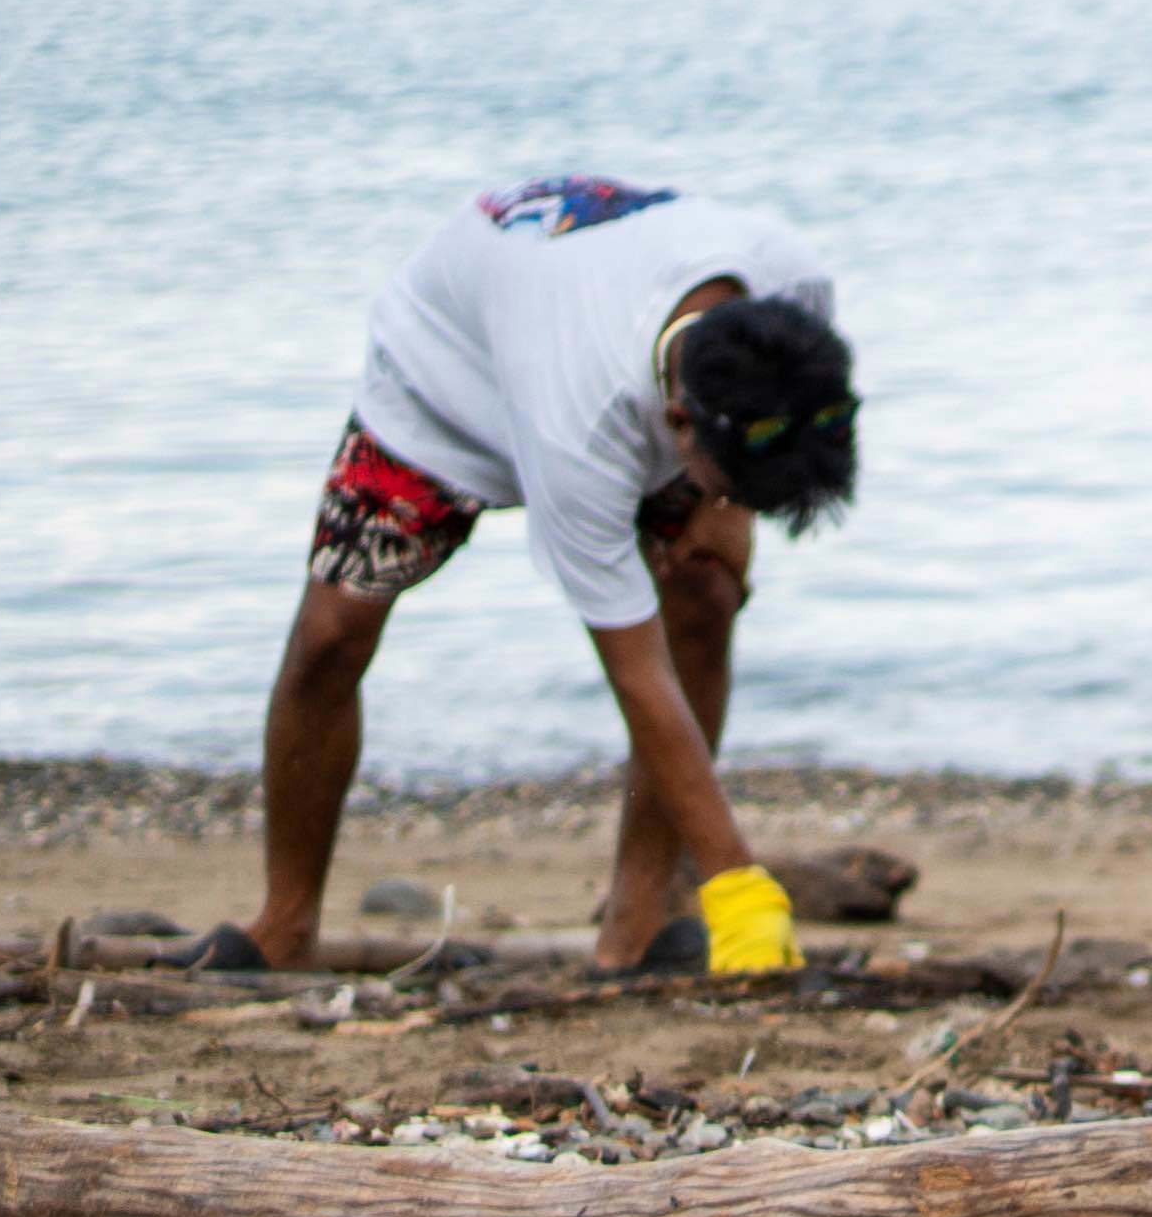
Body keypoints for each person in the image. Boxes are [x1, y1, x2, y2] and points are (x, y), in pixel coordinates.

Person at [221, 177, 857, 979]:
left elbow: (788, 428)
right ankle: (285, 921)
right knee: (329, 636)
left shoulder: (792, 290)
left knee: (705, 591)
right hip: (442, 380)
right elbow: (636, 671)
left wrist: (720, 512)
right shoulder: (579, 425)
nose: (729, 501)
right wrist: (738, 883)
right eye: (727, 484)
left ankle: (636, 922)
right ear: (679, 424)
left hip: (586, 320)